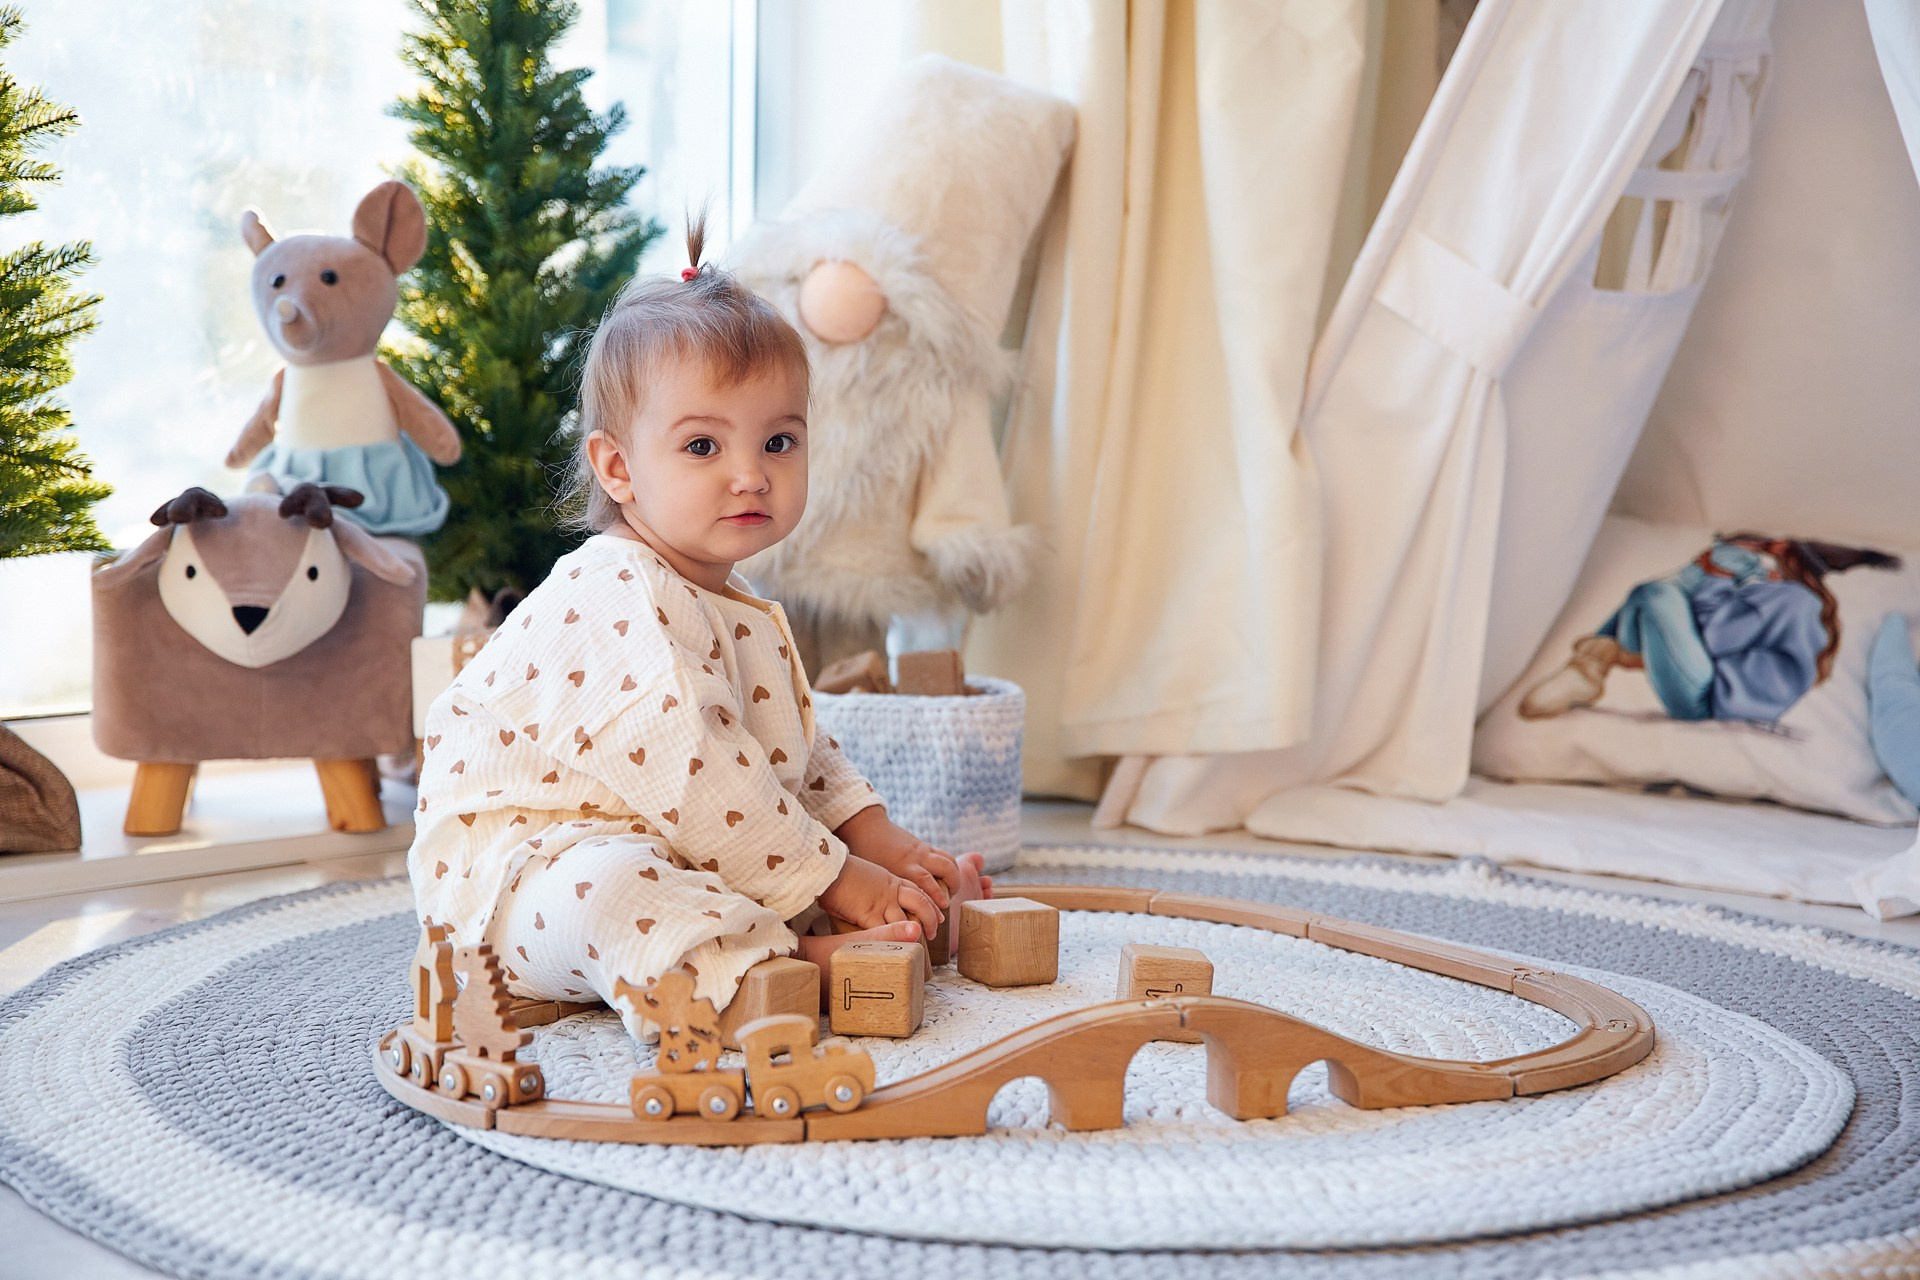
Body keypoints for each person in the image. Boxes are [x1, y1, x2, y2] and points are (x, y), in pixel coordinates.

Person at [408, 218, 988, 1042]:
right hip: (522, 878)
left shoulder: (735, 599)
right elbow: (696, 771)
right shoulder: (614, 592)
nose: (750, 474)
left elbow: (791, 749)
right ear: (618, 468)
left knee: (758, 843)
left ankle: (861, 925)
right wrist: (840, 878)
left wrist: (876, 843)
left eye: (779, 441)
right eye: (704, 445)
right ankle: (796, 958)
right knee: (617, 893)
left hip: (675, 832)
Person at [1521, 535, 1898, 723]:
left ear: (1781, 549)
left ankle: (1592, 663)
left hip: (1710, 699)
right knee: (1651, 595)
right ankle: (1594, 662)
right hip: (1721, 692)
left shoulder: (1789, 600)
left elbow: (1713, 638)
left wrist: (1715, 576)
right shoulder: (1803, 604)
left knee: (1654, 592)